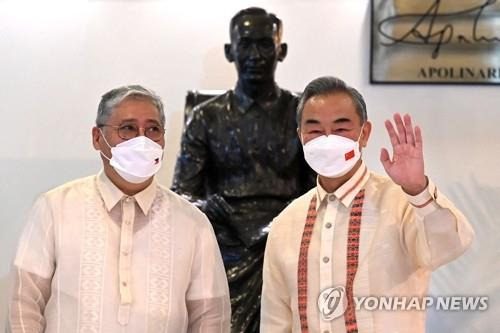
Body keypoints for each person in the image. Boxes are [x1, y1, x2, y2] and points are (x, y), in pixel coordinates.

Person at [7, 85, 231, 333]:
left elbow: (211, 318)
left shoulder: (193, 223)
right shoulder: (55, 208)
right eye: (128, 128)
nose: (142, 140)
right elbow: (23, 305)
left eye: (153, 129)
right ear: (96, 137)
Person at [260, 76, 475, 333]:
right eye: (315, 130)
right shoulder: (286, 223)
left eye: (341, 128)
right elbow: (275, 321)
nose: (328, 139)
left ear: (365, 134)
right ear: (300, 136)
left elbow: (449, 247)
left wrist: (417, 190)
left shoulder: (402, 202)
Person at [171, 7, 315, 332]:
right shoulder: (205, 118)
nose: (255, 55)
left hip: (288, 239)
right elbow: (182, 193)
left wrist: (290, 223)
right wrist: (207, 206)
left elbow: (319, 190)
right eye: (245, 44)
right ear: (229, 51)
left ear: (281, 51)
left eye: (265, 44)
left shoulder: (302, 114)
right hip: (227, 241)